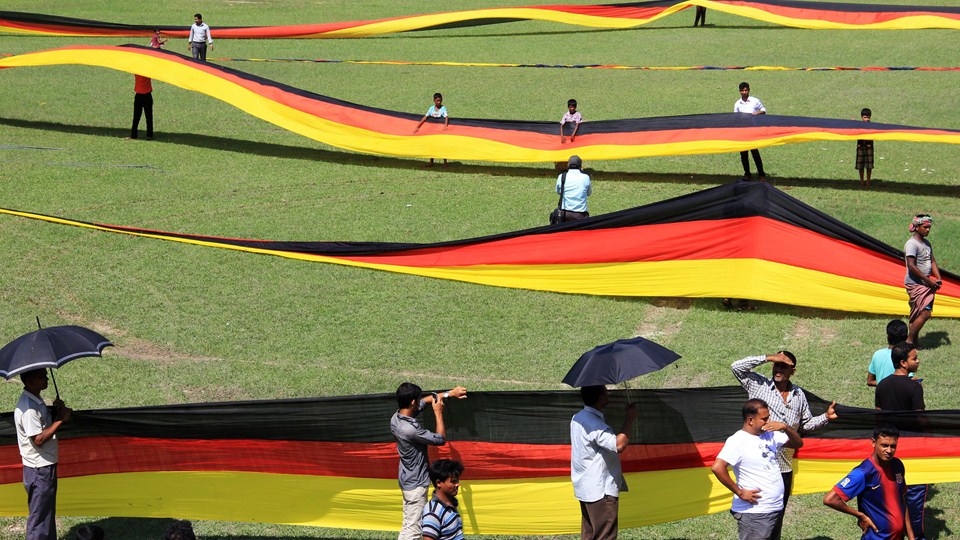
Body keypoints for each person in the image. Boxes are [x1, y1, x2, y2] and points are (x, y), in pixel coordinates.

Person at [731, 352, 837, 540]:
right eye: (776, 365)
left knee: (776, 518)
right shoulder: (759, 384)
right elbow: (736, 367)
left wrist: (826, 417)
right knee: (757, 520)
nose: (778, 369)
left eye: (783, 366)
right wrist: (768, 357)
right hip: (760, 466)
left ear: (792, 371)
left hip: (784, 467)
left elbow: (805, 426)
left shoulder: (798, 395)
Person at [711, 398, 803, 540]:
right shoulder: (738, 441)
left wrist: (785, 427)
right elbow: (717, 468)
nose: (768, 422)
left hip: (774, 508)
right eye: (764, 419)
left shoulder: (770, 434)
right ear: (750, 420)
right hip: (755, 513)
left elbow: (798, 443)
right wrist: (740, 492)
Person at [390, 382, 467, 540]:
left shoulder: (396, 418)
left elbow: (425, 401)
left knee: (408, 524)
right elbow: (439, 439)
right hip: (416, 485)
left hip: (407, 480)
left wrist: (449, 394)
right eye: (417, 399)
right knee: (413, 530)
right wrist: (438, 413)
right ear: (412, 402)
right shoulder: (410, 430)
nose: (420, 402)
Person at [823, 425, 914, 540]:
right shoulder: (863, 472)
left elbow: (902, 501)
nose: (889, 450)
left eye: (893, 446)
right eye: (884, 445)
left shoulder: (897, 465)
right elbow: (830, 499)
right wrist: (860, 515)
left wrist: (911, 537)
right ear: (873, 443)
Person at [570, 385, 637, 540]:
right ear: (600, 398)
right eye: (606, 392)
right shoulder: (594, 423)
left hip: (586, 488)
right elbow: (618, 445)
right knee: (604, 536)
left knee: (590, 535)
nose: (609, 395)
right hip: (600, 492)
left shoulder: (577, 418)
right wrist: (630, 418)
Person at [875, 342, 926, 538]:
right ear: (903, 363)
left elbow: (879, 416)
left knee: (893, 494)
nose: (918, 361)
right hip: (913, 448)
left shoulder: (882, 385)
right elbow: (920, 419)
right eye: (914, 358)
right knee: (914, 495)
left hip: (889, 449)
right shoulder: (914, 388)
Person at [14, 368, 72, 540]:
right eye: (41, 377)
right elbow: (38, 440)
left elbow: (42, 425)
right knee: (40, 519)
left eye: (46, 375)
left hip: (43, 467)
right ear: (30, 382)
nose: (46, 378)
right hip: (39, 470)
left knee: (45, 514)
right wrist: (60, 420)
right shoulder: (29, 409)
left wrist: (55, 412)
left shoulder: (35, 400)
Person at [904, 214, 940, 345]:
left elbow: (932, 261)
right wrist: (929, 281)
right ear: (917, 227)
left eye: (929, 227)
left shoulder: (926, 243)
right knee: (925, 313)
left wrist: (938, 278)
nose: (928, 230)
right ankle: (909, 341)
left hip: (927, 283)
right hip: (915, 284)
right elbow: (911, 266)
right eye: (925, 227)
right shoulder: (912, 244)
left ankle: (914, 342)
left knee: (917, 313)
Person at [421, 459, 465, 540]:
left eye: (458, 480)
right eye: (453, 481)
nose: (458, 484)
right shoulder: (433, 513)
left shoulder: (450, 503)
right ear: (438, 483)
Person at [734, 82, 767, 181]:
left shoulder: (754, 101)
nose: (744, 92)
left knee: (755, 153)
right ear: (739, 91)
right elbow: (736, 117)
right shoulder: (737, 104)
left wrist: (758, 112)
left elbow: (764, 110)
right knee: (743, 154)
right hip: (742, 132)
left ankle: (761, 174)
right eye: (742, 90)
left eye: (746, 90)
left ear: (749, 90)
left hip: (752, 131)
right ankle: (747, 174)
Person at [868, 320, 909, 387]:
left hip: (881, 396)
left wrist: (884, 385)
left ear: (888, 337)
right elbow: (906, 382)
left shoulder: (877, 354)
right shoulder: (905, 356)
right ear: (906, 338)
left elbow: (870, 381)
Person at [413, 92, 449, 166]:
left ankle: (445, 162)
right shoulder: (431, 109)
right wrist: (418, 126)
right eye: (437, 101)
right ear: (434, 101)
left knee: (442, 146)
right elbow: (425, 117)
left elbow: (446, 117)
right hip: (432, 132)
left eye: (440, 100)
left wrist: (445, 126)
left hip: (439, 132)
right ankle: (431, 162)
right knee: (432, 146)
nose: (439, 102)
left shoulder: (443, 108)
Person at [555, 155, 591, 223]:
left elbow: (558, 192)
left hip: (565, 214)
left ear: (568, 165)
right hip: (581, 215)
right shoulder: (585, 177)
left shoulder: (562, 176)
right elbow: (589, 193)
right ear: (580, 166)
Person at [127, 75, 154, 140]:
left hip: (142, 96)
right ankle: (149, 135)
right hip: (145, 96)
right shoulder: (148, 72)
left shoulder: (138, 71)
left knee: (138, 117)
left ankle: (135, 135)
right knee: (147, 117)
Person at [857, 108, 875, 187]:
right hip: (860, 147)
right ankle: (861, 181)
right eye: (865, 117)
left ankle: (868, 181)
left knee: (869, 166)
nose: (867, 119)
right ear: (861, 117)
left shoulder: (872, 126)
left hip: (869, 147)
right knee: (860, 165)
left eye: (868, 117)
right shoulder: (858, 126)